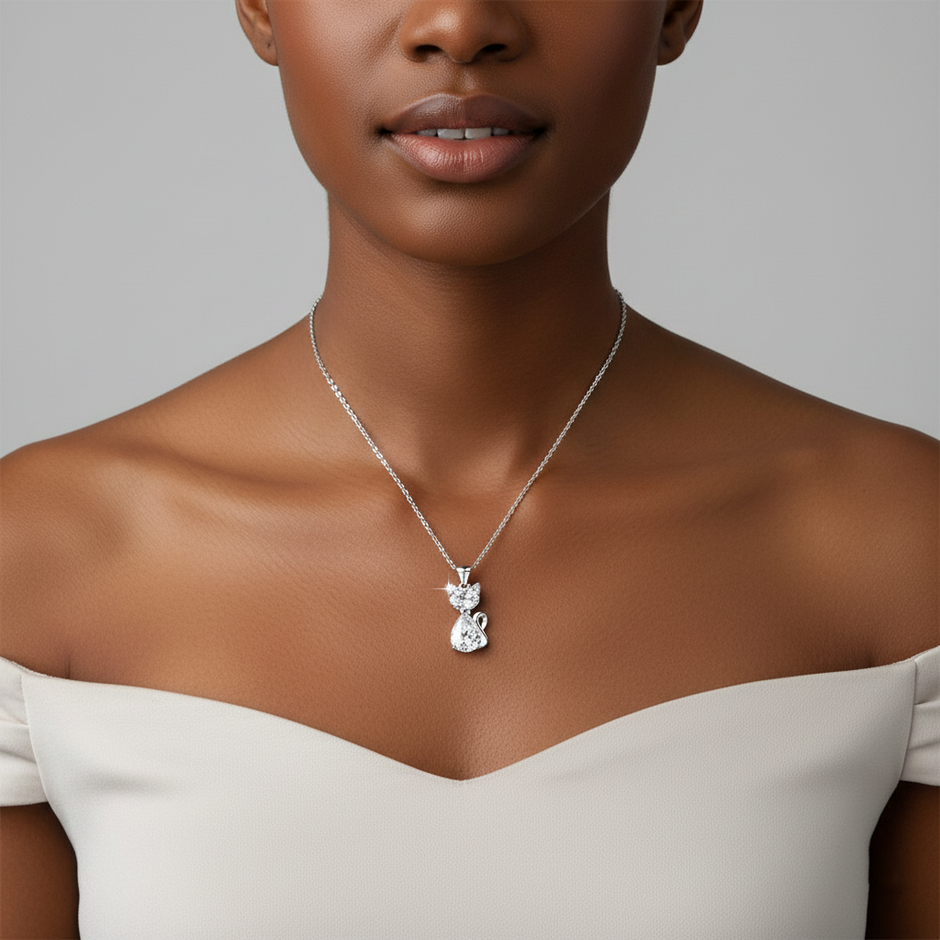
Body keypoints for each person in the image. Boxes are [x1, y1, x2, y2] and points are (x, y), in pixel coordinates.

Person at [1, 2, 936, 937]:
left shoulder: (898, 538)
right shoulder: (40, 553)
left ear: (677, 8)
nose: (459, 24)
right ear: (257, 8)